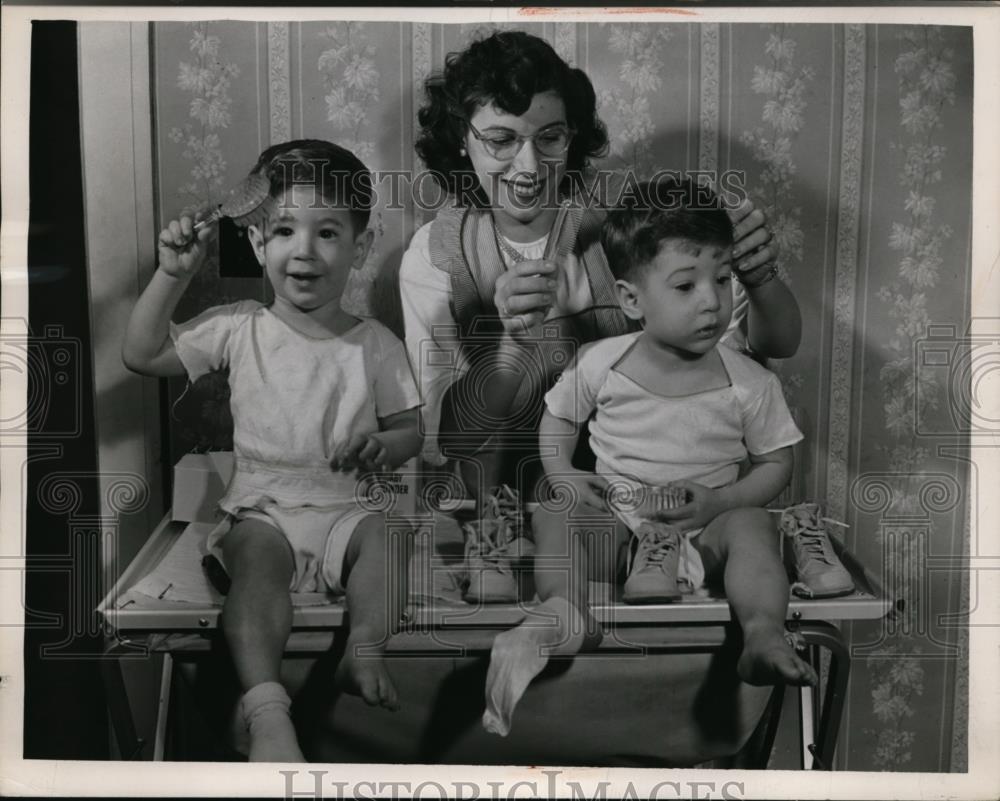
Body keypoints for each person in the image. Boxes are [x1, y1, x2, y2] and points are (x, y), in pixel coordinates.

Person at [400, 30, 801, 599]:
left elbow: (750, 352)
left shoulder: (622, 232)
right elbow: (450, 437)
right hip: (494, 523)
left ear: (573, 137)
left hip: (635, 528)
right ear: (462, 142)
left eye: (551, 138)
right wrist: (514, 346)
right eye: (500, 140)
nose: (529, 164)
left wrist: (759, 276)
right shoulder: (434, 253)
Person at [482, 177, 817, 737]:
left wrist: (722, 501)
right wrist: (564, 472)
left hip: (704, 530)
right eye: (686, 285)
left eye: (723, 279)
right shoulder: (601, 363)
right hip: (619, 521)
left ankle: (762, 632)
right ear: (632, 299)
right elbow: (558, 421)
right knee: (557, 511)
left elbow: (777, 463)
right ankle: (561, 611)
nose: (713, 300)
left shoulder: (748, 382)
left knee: (754, 527)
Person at [122, 140, 423, 762]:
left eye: (329, 232)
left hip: (349, 507)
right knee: (256, 568)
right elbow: (141, 355)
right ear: (259, 243)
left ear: (360, 248)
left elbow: (412, 429)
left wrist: (384, 444)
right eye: (284, 229)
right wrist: (171, 275)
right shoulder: (238, 327)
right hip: (264, 506)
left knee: (391, 540)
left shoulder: (377, 344)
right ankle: (267, 710)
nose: (304, 250)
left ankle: (364, 645)